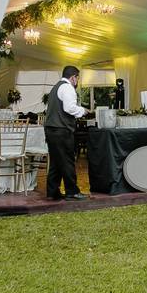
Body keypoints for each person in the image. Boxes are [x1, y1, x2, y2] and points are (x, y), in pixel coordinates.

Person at [44, 65, 89, 200]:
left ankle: (52, 192)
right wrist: (83, 111)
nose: (78, 81)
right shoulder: (68, 87)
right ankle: (72, 191)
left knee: (56, 162)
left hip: (51, 129)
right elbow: (69, 108)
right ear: (73, 77)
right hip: (61, 130)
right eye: (77, 78)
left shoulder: (56, 86)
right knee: (68, 161)